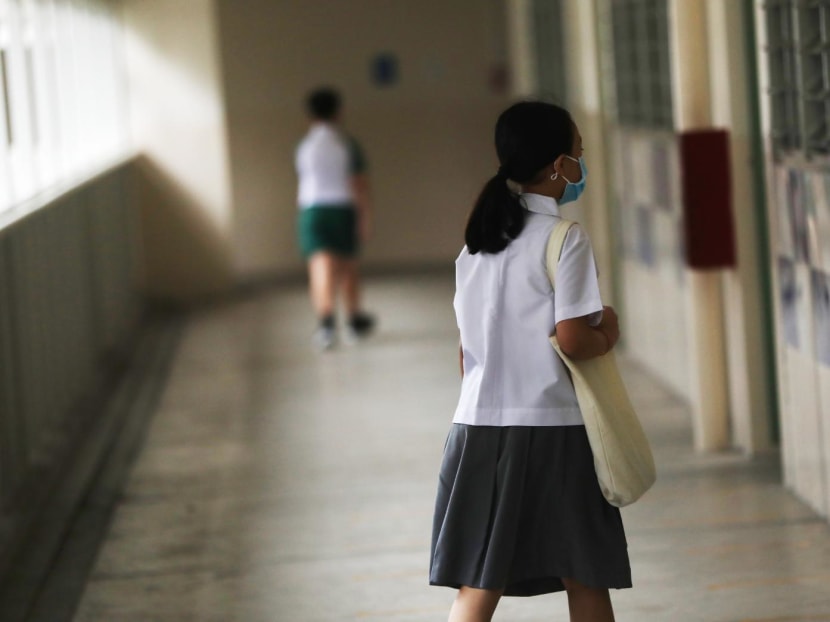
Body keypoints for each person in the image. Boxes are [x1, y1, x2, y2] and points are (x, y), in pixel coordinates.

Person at [429, 101, 631, 622]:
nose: (581, 167)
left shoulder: (475, 246)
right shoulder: (565, 238)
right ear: (558, 165)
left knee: (478, 581)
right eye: (579, 156)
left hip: (474, 427)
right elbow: (573, 338)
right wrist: (607, 330)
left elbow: (465, 350)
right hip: (551, 430)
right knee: (584, 574)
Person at [295, 87, 375, 351]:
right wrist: (364, 216)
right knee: (347, 267)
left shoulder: (304, 147)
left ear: (309, 115)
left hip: (312, 210)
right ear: (338, 112)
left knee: (319, 266)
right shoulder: (346, 145)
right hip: (342, 209)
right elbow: (358, 184)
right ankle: (353, 321)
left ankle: (326, 324)